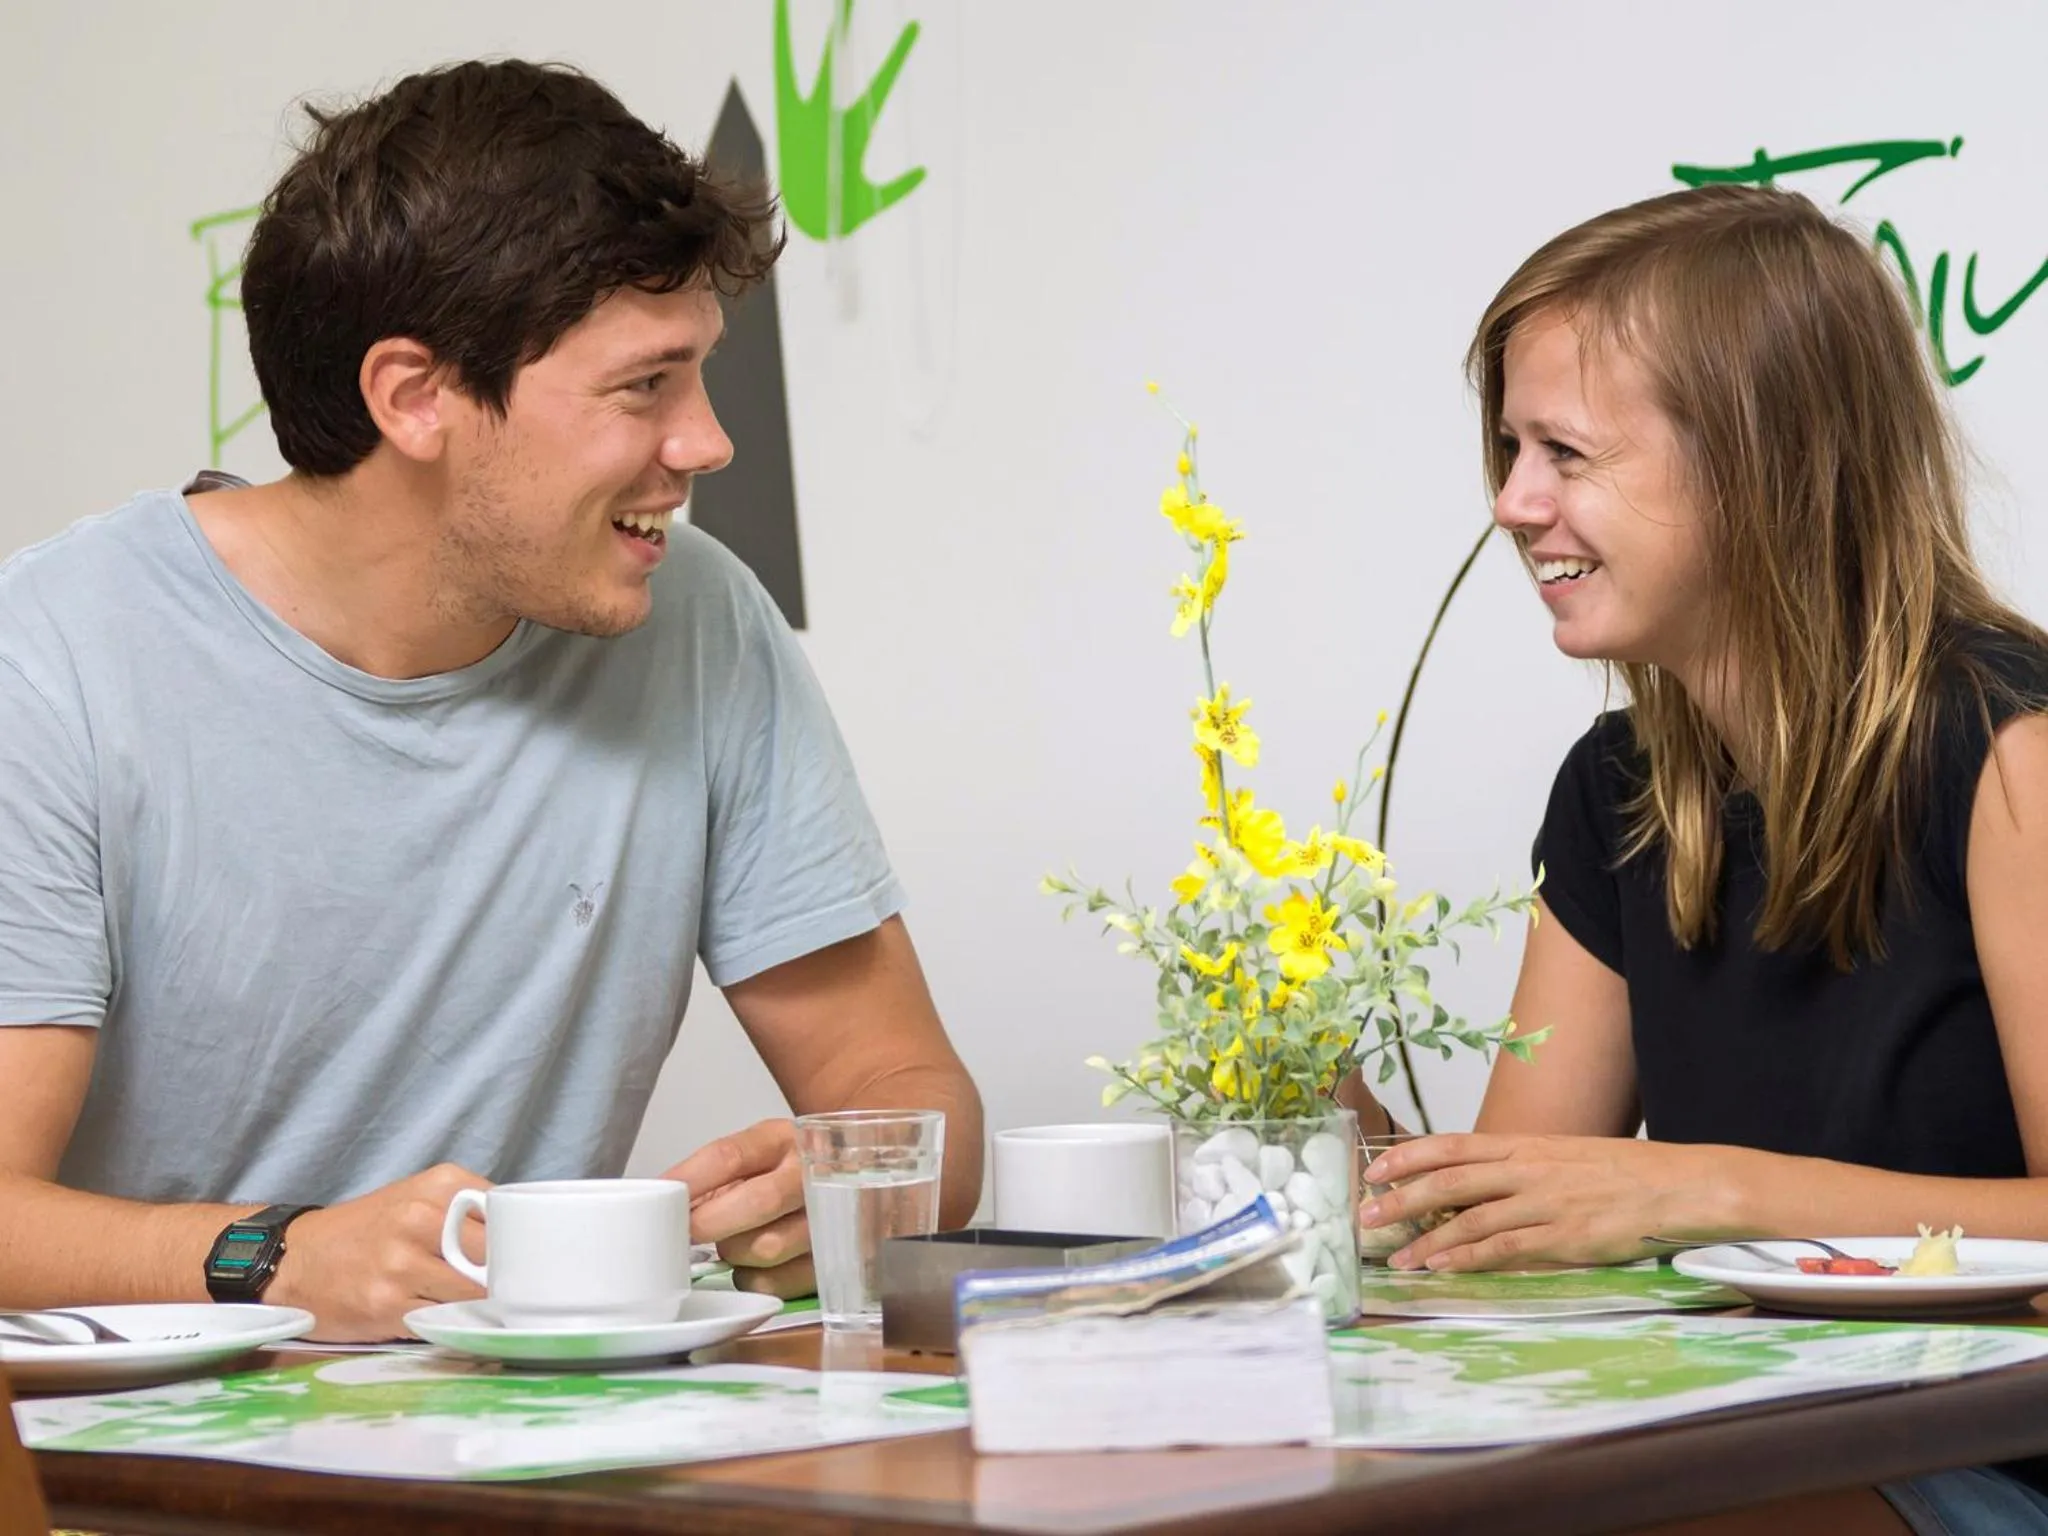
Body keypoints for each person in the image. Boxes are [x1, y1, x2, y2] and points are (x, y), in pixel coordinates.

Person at [0, 59, 982, 1342]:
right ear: (415, 398)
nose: (705, 443)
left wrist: (858, 1186)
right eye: (645, 385)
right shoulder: (52, 660)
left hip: (528, 1457)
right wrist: (279, 1258)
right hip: (134, 1486)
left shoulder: (698, 620)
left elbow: (902, 1089)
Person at [1342, 183, 2048, 1534]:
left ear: (1763, 459)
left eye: (1566, 452)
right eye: (1508, 449)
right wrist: (1333, 1123)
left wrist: (1701, 1189)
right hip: (1753, 1444)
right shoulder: (1615, 791)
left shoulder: (2012, 752)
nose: (1512, 504)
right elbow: (1518, 1230)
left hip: (1987, 1468)